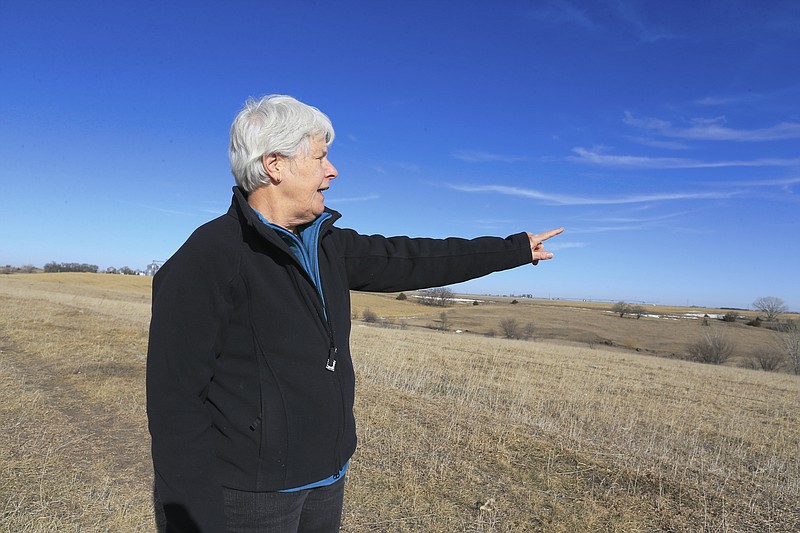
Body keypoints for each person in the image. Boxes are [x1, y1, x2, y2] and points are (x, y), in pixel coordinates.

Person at [146, 94, 563, 532]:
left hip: (326, 477)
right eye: (321, 156)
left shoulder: (328, 244)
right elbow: (175, 404)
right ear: (275, 165)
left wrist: (513, 250)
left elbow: (413, 258)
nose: (333, 171)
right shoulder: (209, 259)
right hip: (252, 494)